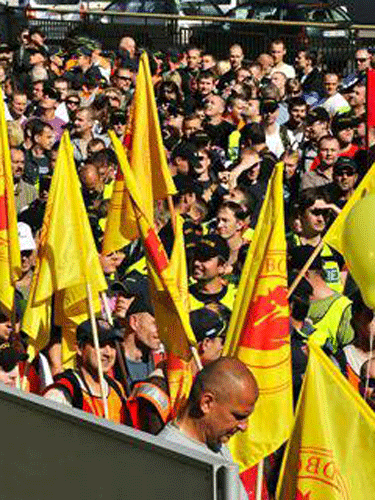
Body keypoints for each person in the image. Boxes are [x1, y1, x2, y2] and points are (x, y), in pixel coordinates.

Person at [158, 357, 259, 500]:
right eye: (238, 416)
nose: (244, 426)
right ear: (206, 403)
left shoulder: (215, 442)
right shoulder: (169, 462)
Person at [44, 318, 128, 424]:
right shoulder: (62, 394)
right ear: (79, 348)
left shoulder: (117, 389)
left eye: (112, 346)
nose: (109, 353)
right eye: (100, 345)